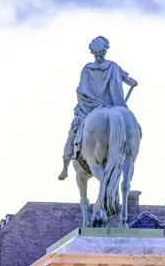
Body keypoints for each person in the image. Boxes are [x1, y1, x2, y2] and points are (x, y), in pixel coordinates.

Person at [59, 36, 138, 180]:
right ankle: (133, 145)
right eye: (99, 53)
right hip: (114, 106)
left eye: (98, 53)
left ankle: (65, 166)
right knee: (136, 129)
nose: (99, 56)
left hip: (89, 108)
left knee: (72, 133)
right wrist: (133, 83)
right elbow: (131, 81)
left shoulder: (87, 69)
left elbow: (81, 91)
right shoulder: (114, 66)